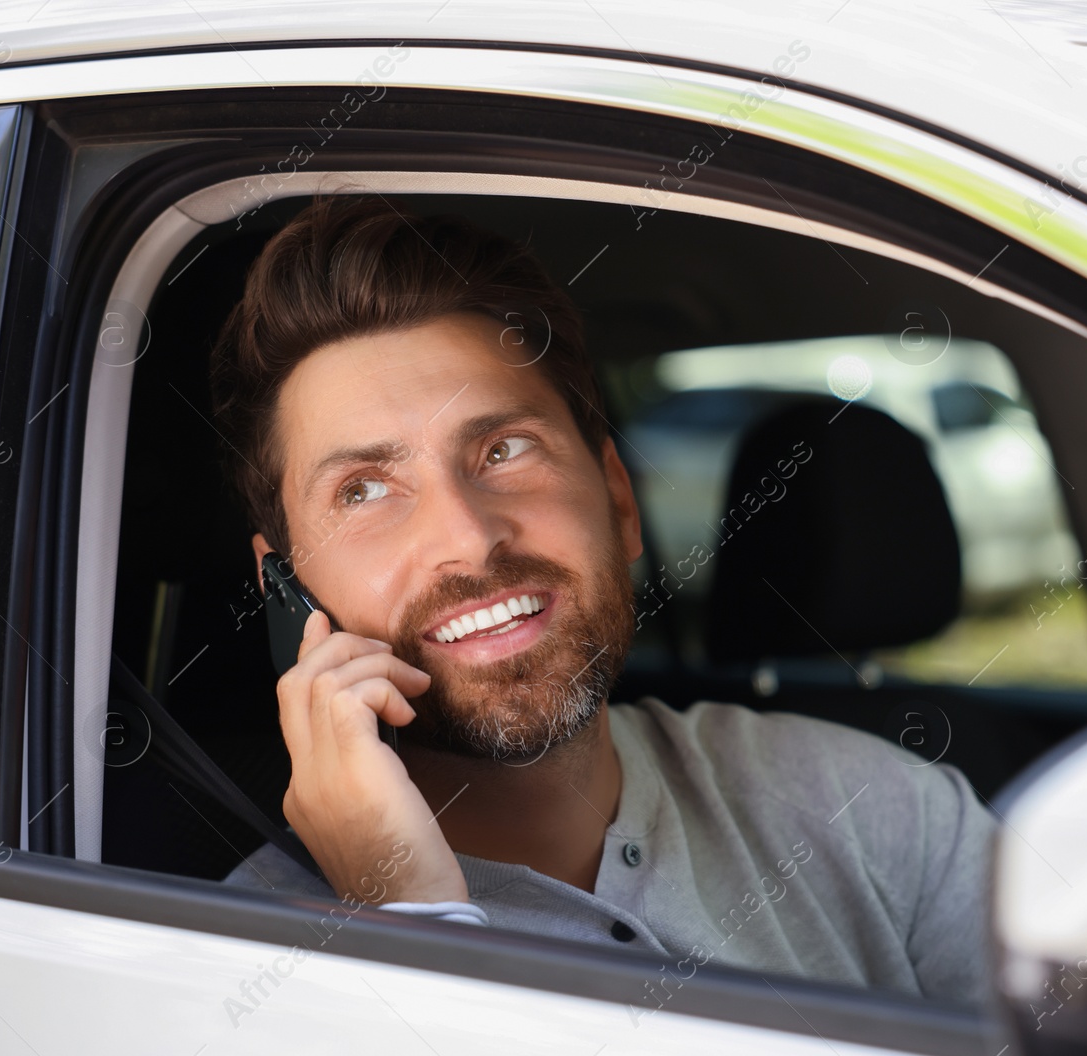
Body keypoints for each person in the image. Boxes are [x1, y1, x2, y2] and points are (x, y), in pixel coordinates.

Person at [209, 197, 996, 1006]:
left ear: (619, 499)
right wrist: (411, 915)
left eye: (504, 449)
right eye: (364, 490)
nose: (468, 537)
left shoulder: (887, 813)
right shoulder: (219, 975)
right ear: (286, 589)